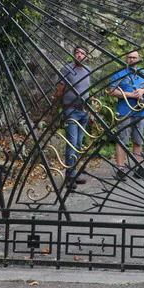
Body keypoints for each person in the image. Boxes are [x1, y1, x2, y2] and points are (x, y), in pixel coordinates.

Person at [108, 50, 144, 181]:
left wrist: (143, 90)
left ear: (139, 59)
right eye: (130, 57)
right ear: (125, 59)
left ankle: (138, 168)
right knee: (122, 140)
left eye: (134, 57)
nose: (132, 60)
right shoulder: (119, 74)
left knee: (138, 140)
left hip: (141, 111)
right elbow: (111, 91)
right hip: (124, 111)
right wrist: (129, 95)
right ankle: (120, 169)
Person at [54, 45, 91, 189]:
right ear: (74, 55)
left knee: (78, 143)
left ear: (86, 56)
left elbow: (86, 88)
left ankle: (74, 172)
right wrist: (61, 100)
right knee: (72, 142)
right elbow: (60, 88)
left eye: (82, 53)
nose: (79, 55)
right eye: (77, 53)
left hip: (84, 111)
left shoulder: (88, 70)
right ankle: (69, 176)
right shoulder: (67, 69)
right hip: (71, 109)